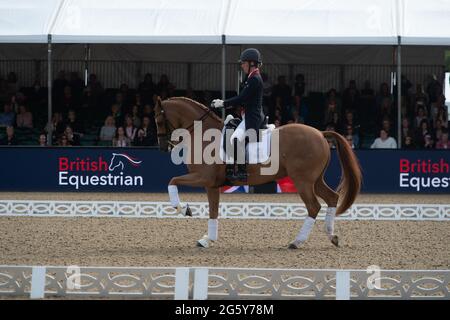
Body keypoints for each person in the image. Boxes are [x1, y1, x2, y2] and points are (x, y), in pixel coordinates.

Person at [211, 48, 265, 181]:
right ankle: (229, 168)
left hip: (252, 118)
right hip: (247, 116)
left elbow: (241, 98)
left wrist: (223, 103)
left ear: (252, 63)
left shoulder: (255, 79)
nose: (242, 65)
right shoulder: (250, 78)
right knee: (229, 130)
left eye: (243, 63)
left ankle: (242, 171)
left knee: (235, 138)